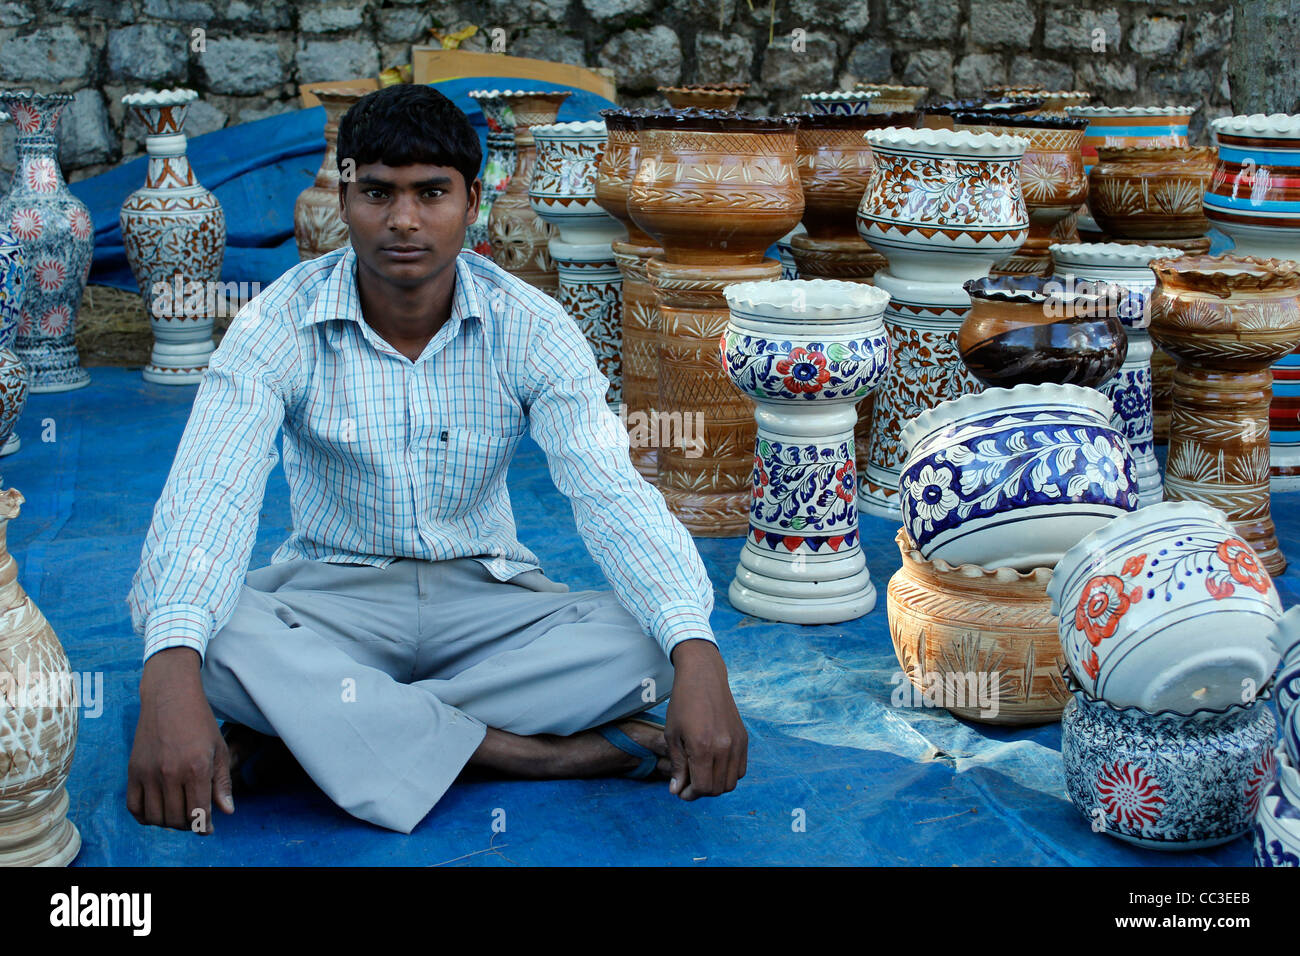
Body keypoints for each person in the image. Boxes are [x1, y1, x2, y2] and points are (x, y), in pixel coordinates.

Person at [125, 84, 747, 835]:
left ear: (473, 199)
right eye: (378, 193)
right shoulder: (276, 321)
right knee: (208, 636)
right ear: (346, 198)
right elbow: (209, 492)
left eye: (431, 192)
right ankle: (527, 754)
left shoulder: (532, 325)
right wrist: (169, 668)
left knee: (651, 642)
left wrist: (695, 648)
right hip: (331, 599)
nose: (404, 221)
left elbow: (610, 492)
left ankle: (320, 729)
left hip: (488, 604)